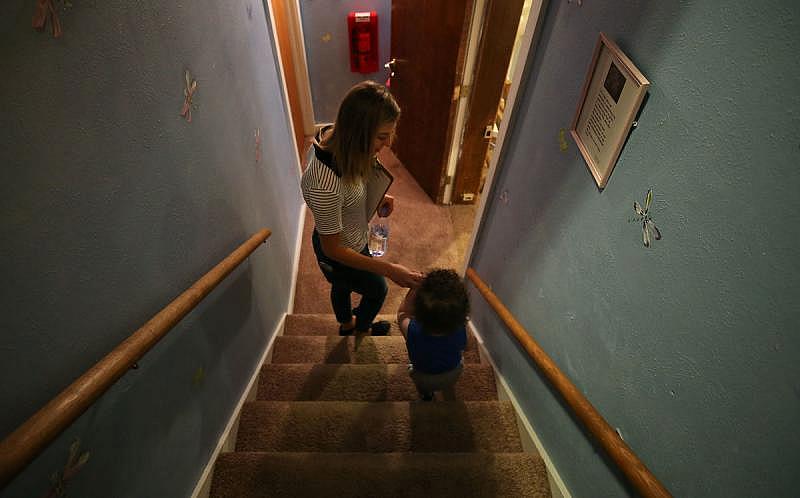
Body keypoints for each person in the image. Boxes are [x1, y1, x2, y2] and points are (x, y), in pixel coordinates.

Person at [301, 80, 423, 336]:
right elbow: (332, 248)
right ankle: (359, 328)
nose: (389, 143)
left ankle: (346, 324)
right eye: (381, 136)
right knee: (378, 290)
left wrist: (377, 197)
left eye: (390, 133)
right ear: (358, 132)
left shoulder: (339, 140)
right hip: (339, 250)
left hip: (354, 236)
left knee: (341, 285)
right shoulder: (324, 184)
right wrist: (389, 269)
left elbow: (356, 181)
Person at [397, 269, 470, 401]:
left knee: (421, 383)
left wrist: (414, 289)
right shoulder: (461, 329)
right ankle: (447, 388)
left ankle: (426, 394)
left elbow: (402, 313)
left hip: (423, 377)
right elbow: (466, 346)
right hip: (453, 373)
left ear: (417, 311)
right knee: (459, 363)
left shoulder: (412, 330)